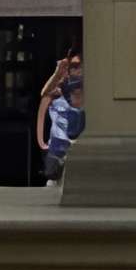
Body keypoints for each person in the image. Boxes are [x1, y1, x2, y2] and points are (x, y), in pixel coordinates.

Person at [36, 55, 85, 184]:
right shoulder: (58, 91)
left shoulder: (89, 93)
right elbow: (45, 93)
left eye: (80, 66)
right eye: (74, 67)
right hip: (58, 154)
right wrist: (58, 73)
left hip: (78, 153)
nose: (78, 70)